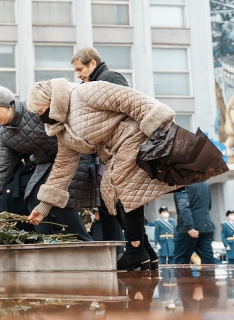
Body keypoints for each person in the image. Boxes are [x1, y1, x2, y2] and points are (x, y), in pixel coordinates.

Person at [26, 78, 180, 270]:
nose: (41, 117)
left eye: (41, 110)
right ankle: (145, 251)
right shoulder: (62, 128)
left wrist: (162, 128)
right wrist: (43, 207)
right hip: (114, 152)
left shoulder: (85, 92)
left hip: (135, 136)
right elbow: (63, 166)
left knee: (122, 184)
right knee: (109, 194)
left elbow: (130, 99)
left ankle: (135, 250)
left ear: (51, 100)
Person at [0, 85, 98, 241]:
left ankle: (84, 242)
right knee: (33, 195)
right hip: (45, 162)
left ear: (8, 104)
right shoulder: (4, 134)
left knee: (54, 196)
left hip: (74, 153)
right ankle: (46, 241)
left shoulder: (34, 109)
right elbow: (1, 169)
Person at [71, 47, 126, 258]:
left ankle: (128, 252)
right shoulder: (86, 86)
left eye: (80, 69)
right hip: (103, 155)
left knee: (117, 206)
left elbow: (124, 112)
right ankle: (118, 254)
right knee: (107, 207)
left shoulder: (111, 78)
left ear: (93, 63)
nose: (78, 74)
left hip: (116, 153)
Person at [173, 182, 217, 265]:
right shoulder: (206, 184)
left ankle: (184, 278)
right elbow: (209, 205)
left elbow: (183, 206)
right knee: (208, 260)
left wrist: (189, 227)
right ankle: (210, 278)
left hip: (187, 230)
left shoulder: (182, 184)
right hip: (205, 226)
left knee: (181, 261)